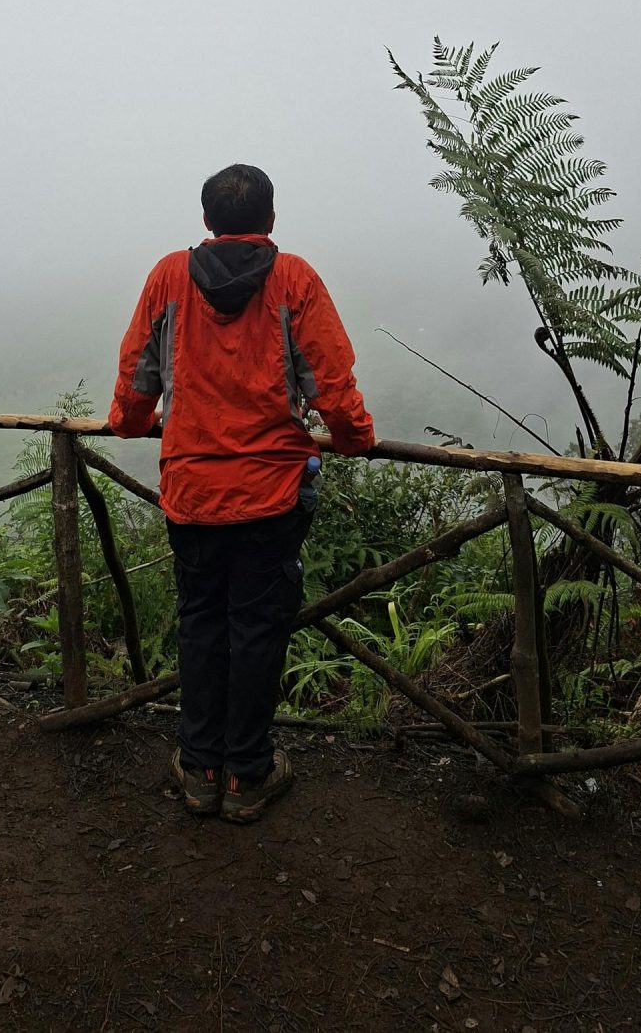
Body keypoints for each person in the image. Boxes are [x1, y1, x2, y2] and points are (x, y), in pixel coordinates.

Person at [108, 164, 375, 823]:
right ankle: (246, 777)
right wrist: (356, 438)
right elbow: (332, 385)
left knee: (201, 624)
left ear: (206, 222)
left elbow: (137, 380)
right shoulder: (294, 280)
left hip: (191, 489)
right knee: (256, 629)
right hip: (274, 491)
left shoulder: (169, 277)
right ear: (271, 220)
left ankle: (199, 769)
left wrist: (134, 424)